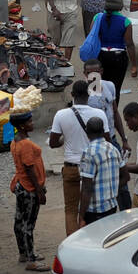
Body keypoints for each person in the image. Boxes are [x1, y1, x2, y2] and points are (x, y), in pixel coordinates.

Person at [49, 81, 104, 236]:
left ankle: (73, 243)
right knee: (94, 206)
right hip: (94, 168)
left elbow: (53, 143)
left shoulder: (61, 115)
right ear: (88, 95)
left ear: (72, 95)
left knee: (71, 209)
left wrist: (64, 139)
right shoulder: (99, 114)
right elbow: (105, 140)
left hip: (71, 167)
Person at [9, 111, 47, 270]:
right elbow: (30, 169)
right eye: (30, 122)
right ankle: (32, 261)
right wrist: (39, 191)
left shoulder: (16, 142)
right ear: (22, 125)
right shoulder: (25, 144)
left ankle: (24, 253)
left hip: (21, 185)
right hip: (29, 187)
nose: (33, 124)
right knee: (28, 224)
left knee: (20, 221)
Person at [78, 116, 125, 226]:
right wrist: (111, 192)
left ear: (87, 132)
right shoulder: (114, 149)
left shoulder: (89, 153)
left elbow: (87, 188)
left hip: (94, 211)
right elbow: (126, 176)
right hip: (112, 206)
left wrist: (80, 216)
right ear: (103, 131)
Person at [92, 0, 137, 109]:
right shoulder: (125, 21)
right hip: (118, 59)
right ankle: (112, 113)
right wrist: (134, 66)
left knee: (95, 88)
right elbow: (129, 44)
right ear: (120, 7)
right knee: (114, 90)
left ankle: (94, 111)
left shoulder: (97, 17)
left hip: (99, 57)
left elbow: (91, 37)